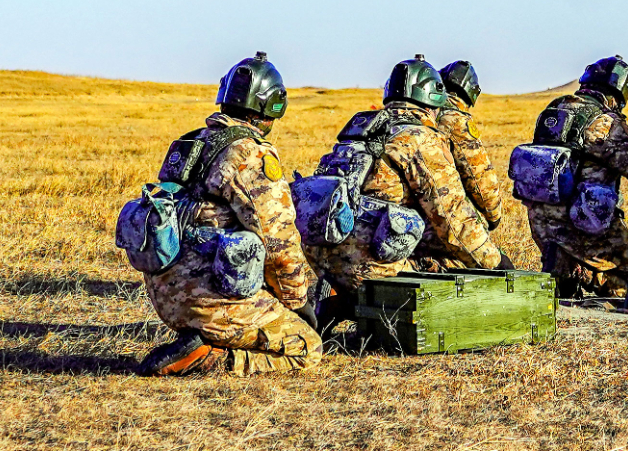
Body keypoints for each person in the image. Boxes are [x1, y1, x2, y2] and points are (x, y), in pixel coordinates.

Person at [137, 52, 322, 376]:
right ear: (273, 107)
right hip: (209, 297)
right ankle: (213, 359)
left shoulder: (192, 142)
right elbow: (279, 245)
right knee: (307, 348)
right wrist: (298, 304)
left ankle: (204, 339)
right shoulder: (250, 153)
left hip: (166, 294)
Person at [305, 56, 508, 329]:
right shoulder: (419, 138)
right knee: (459, 262)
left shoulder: (364, 129)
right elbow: (454, 220)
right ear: (432, 100)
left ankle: (339, 299)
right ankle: (355, 303)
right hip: (373, 267)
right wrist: (496, 262)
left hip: (325, 260)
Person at [520, 56, 628, 298]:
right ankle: (602, 282)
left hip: (541, 225)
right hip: (582, 223)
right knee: (627, 280)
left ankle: (567, 271)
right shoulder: (604, 122)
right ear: (620, 91)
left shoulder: (554, 109)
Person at [436, 60, 504, 233]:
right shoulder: (455, 120)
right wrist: (493, 216)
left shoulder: (422, 111)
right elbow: (478, 175)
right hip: (439, 214)